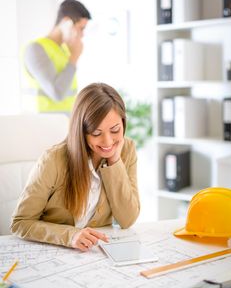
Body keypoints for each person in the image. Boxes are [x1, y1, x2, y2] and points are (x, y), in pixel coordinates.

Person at [11, 83, 140, 251]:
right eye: (96, 133)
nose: (108, 141)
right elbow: (20, 223)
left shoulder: (126, 149)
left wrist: (114, 160)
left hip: (96, 255)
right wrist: (71, 236)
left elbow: (127, 219)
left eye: (115, 130)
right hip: (56, 252)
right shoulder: (53, 160)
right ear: (81, 131)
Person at [22, 0, 91, 114]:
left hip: (64, 123)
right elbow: (57, 93)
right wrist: (74, 58)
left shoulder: (64, 50)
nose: (82, 34)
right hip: (43, 125)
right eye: (81, 28)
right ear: (66, 22)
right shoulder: (36, 49)